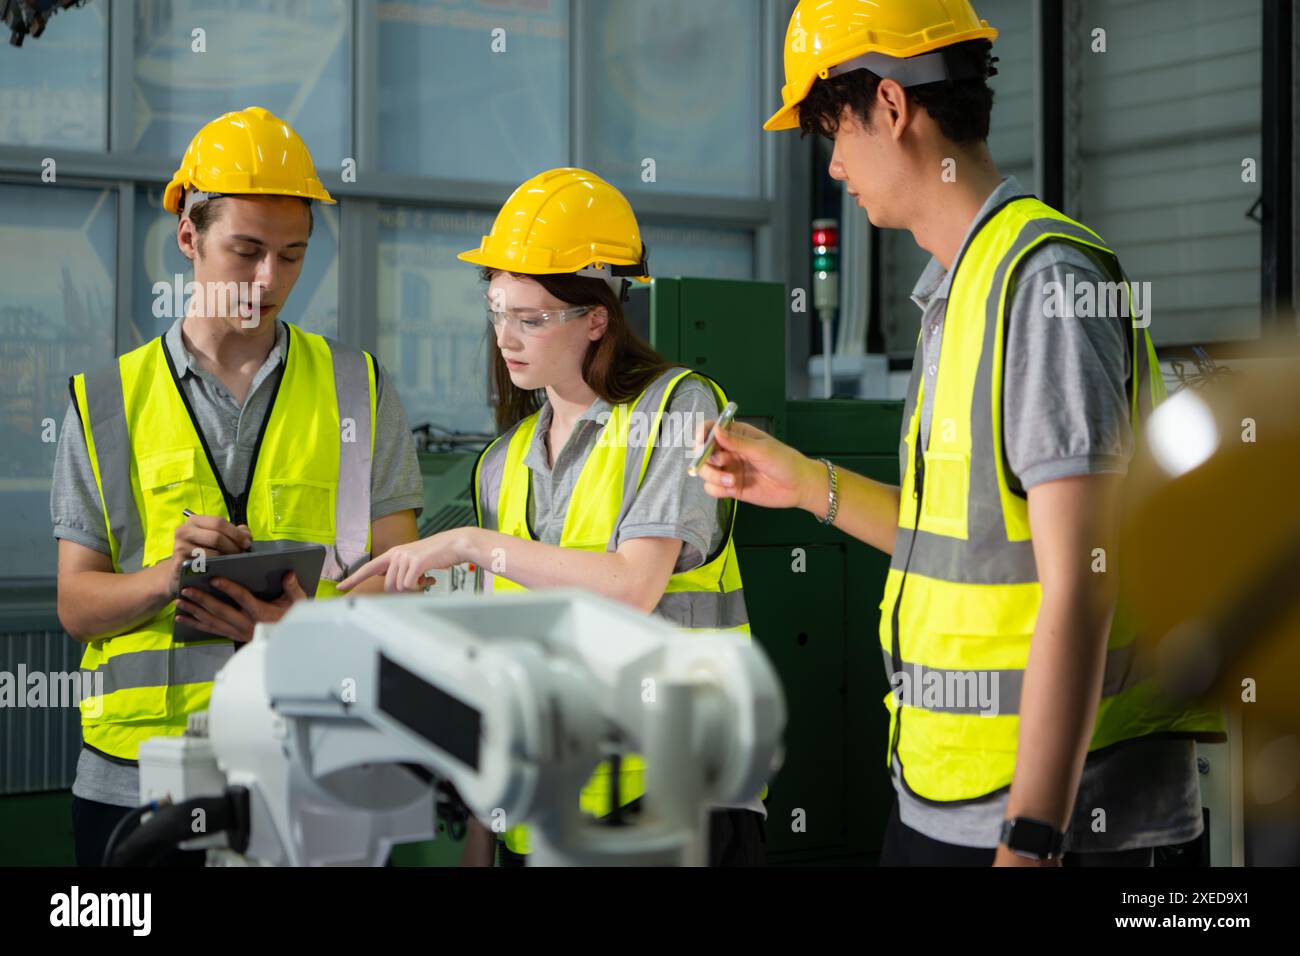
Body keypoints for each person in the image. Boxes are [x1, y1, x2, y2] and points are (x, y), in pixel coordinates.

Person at [693, 0, 1225, 867]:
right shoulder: (962, 289)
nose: (834, 164)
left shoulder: (1043, 286)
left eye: (835, 131)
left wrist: (1031, 836)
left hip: (1064, 820)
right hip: (947, 795)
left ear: (892, 106)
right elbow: (968, 544)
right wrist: (804, 483)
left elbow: (1081, 581)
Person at [339, 167, 765, 866]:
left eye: (531, 319)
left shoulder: (675, 411)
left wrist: (472, 543)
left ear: (597, 318)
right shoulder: (502, 463)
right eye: (497, 312)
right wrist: (483, 838)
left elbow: (632, 586)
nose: (506, 337)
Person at [52, 106, 424, 866]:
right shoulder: (107, 401)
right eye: (247, 251)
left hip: (312, 765)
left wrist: (303, 627)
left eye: (292, 255)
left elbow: (404, 585)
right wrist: (167, 577)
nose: (269, 280)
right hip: (139, 782)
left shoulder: (359, 390)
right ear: (188, 236)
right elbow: (77, 605)